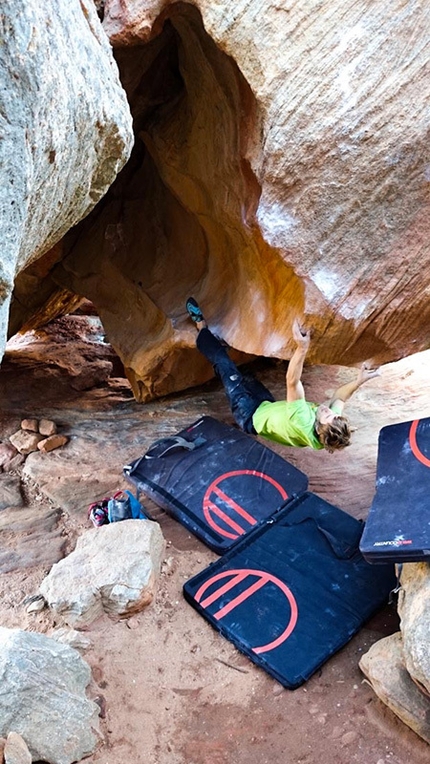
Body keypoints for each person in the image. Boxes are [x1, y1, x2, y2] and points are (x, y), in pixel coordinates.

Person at [186, 297, 380, 452]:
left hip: (249, 414)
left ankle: (202, 329)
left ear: (320, 428)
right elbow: (340, 397)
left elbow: (292, 381)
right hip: (267, 406)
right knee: (245, 375)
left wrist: (302, 348)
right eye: (334, 415)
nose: (330, 412)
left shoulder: (302, 419)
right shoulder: (329, 429)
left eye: (328, 416)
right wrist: (359, 381)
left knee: (225, 366)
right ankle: (228, 354)